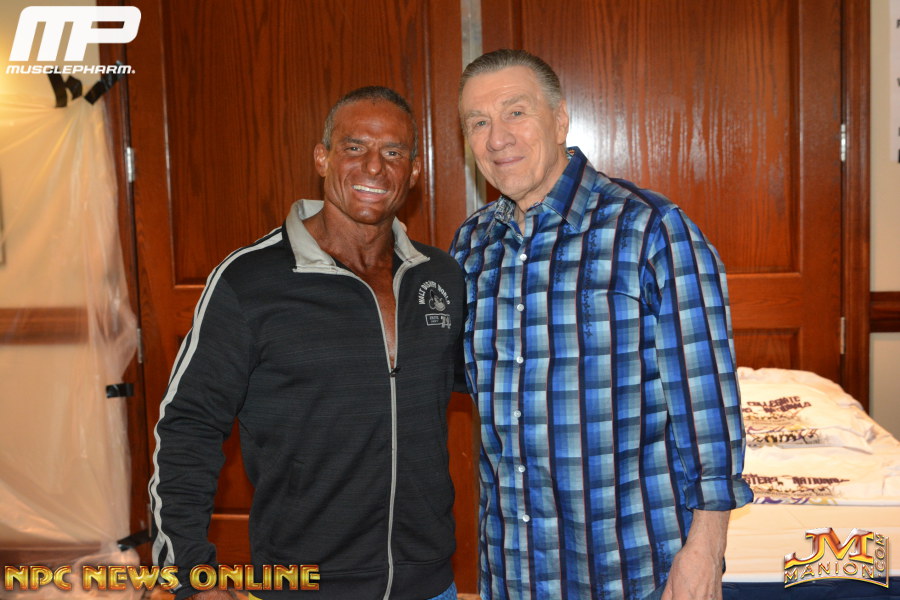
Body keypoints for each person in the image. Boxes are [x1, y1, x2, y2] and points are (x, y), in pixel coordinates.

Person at [449, 49, 753, 600]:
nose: (497, 139)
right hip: (514, 571)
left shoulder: (652, 229)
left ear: (559, 119)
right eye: (478, 122)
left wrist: (706, 552)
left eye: (516, 112)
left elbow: (707, 407)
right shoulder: (472, 246)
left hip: (632, 572)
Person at [149, 86, 463, 600]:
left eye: (393, 152)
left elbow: (494, 382)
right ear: (322, 158)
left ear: (413, 171)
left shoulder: (440, 277)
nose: (374, 167)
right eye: (355, 147)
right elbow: (189, 425)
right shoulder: (250, 280)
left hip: (430, 585)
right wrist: (188, 575)